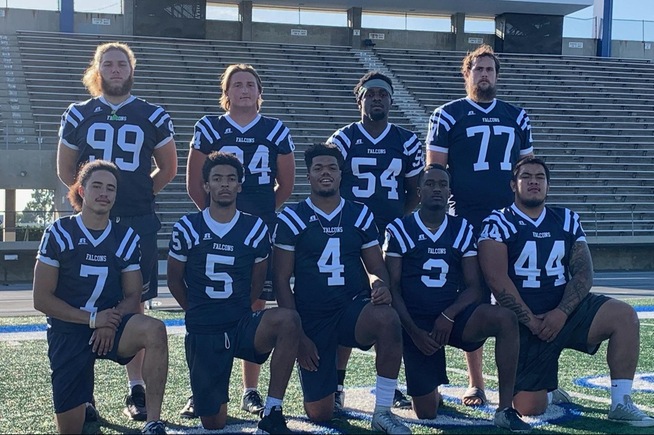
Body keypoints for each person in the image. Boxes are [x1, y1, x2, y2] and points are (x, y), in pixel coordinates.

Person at [477, 157, 654, 427]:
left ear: (548, 185)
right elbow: (496, 280)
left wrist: (561, 312)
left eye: (540, 177)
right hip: (523, 321)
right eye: (526, 176)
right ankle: (547, 390)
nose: (534, 181)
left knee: (624, 316)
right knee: (530, 407)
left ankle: (621, 402)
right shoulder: (498, 221)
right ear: (514, 184)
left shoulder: (567, 219)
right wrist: (532, 321)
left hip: (565, 312)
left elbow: (584, 274)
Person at [56, 41, 178, 422]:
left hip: (137, 220)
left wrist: (135, 197)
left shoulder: (153, 114)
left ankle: (136, 387)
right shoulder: (78, 113)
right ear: (98, 69)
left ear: (131, 69)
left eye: (121, 63)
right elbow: (66, 171)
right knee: (82, 297)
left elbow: (169, 169)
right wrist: (92, 202)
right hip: (90, 220)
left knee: (134, 300)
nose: (114, 69)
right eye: (107, 63)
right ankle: (83, 396)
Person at [273, 143, 411, 434]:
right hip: (312, 317)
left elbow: (375, 267)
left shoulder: (359, 214)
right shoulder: (291, 218)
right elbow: (282, 280)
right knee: (320, 414)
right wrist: (299, 335)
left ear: (341, 174)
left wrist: (381, 285)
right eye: (319, 168)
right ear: (308, 176)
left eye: (332, 168)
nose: (326, 173)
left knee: (387, 318)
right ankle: (330, 388)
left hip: (351, 308)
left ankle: (383, 411)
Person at [183, 63, 295, 418]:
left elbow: (286, 185)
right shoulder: (208, 126)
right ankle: (200, 389)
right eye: (237, 84)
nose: (244, 90)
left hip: (259, 231)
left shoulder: (275, 129)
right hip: (213, 229)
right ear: (226, 92)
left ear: (259, 93)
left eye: (250, 85)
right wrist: (220, 221)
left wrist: (251, 222)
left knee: (256, 303)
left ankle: (250, 389)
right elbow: (194, 183)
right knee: (206, 305)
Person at [425, 44, 534, 408]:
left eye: (490, 69)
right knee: (469, 296)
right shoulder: (447, 115)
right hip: (465, 218)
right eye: (478, 69)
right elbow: (435, 173)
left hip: (508, 219)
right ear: (466, 74)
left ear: (497, 76)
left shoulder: (517, 116)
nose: (484, 74)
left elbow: (527, 172)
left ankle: (532, 376)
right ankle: (475, 382)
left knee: (522, 295)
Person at [384, 163, 530, 433]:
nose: (436, 189)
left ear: (450, 190)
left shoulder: (462, 228)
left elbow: (475, 287)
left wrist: (449, 314)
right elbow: (393, 290)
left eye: (442, 184)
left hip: (454, 316)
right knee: (427, 413)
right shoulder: (400, 229)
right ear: (418, 191)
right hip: (416, 322)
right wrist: (414, 331)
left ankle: (505, 408)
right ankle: (431, 390)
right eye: (430, 184)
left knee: (505, 318)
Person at [167, 151, 300, 434]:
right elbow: (175, 281)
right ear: (206, 186)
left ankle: (273, 408)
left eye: (231, 179)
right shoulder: (187, 227)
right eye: (217, 179)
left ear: (240, 185)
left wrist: (239, 309)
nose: (224, 184)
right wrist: (197, 311)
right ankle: (211, 396)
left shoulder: (255, 228)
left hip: (241, 322)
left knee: (288, 320)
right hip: (205, 329)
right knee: (214, 423)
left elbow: (257, 281)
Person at [33, 160, 169, 435]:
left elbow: (133, 295)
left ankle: (153, 422)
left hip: (111, 323)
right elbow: (41, 299)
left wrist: (109, 321)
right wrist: (94, 319)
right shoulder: (59, 233)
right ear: (81, 190)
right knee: (71, 429)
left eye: (111, 188)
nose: (104, 193)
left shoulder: (126, 236)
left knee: (154, 330)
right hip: (69, 329)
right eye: (97, 186)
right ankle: (83, 402)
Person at [327, 71, 423, 411]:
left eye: (383, 94)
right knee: (348, 303)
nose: (377, 99)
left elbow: (414, 193)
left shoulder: (407, 141)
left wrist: (394, 220)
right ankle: (337, 384)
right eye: (371, 94)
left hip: (393, 236)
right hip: (351, 235)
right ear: (360, 100)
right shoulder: (343, 139)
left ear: (391, 101)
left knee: (395, 306)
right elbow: (330, 186)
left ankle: (392, 384)